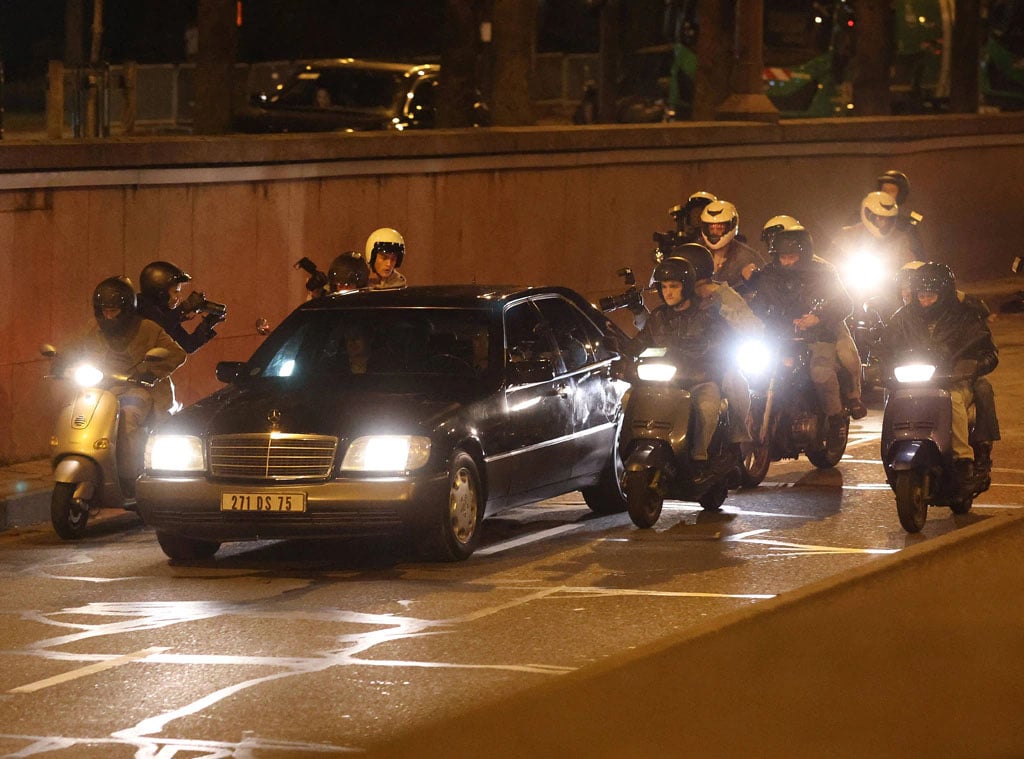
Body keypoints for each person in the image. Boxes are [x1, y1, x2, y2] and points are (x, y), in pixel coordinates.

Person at [60, 277, 187, 494]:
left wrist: (149, 372)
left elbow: (177, 353)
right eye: (104, 310)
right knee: (78, 412)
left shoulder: (148, 329)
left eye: (114, 310)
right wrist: (60, 363)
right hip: (104, 388)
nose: (109, 316)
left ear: (127, 309)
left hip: (142, 388)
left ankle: (131, 477)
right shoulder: (94, 331)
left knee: (128, 417)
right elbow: (72, 349)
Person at [878, 262, 999, 490]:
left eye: (930, 296)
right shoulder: (902, 318)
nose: (925, 301)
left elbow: (988, 352)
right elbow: (884, 349)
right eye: (921, 296)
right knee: (892, 400)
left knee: (951, 400)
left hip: (952, 381)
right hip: (912, 382)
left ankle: (963, 460)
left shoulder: (966, 316)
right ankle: (890, 450)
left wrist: (971, 367)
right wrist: (877, 366)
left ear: (944, 294)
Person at [630, 257, 736, 476]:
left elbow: (726, 341)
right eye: (664, 287)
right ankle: (627, 450)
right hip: (663, 384)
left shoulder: (706, 315)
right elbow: (639, 343)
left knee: (707, 407)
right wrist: (619, 350)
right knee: (625, 401)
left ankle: (700, 457)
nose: (668, 292)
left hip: (698, 381)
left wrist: (709, 350)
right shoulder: (657, 317)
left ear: (686, 287)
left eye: (674, 286)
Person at [762, 216, 868, 419]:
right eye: (782, 256)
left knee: (822, 373)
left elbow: (844, 304)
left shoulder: (824, 272)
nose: (786, 262)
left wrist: (817, 318)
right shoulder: (767, 275)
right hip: (778, 338)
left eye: (791, 256)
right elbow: (756, 303)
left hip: (818, 335)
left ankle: (838, 415)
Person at [668, 242, 762, 443]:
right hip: (680, 363)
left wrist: (719, 307)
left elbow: (752, 327)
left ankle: (739, 431)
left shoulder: (723, 294)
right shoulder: (674, 294)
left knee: (733, 382)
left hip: (716, 360)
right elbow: (657, 327)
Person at [137, 261, 223, 354]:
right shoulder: (140, 306)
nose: (179, 297)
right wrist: (184, 308)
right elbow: (158, 327)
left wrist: (206, 325)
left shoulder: (165, 314)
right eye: (175, 292)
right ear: (161, 292)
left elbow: (188, 345)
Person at [829, 191, 918, 273]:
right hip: (849, 286)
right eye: (880, 218)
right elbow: (830, 264)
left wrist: (906, 284)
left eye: (889, 219)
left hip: (888, 287)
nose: (884, 223)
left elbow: (909, 267)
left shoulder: (900, 239)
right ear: (868, 214)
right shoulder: (847, 234)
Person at [700, 199, 766, 296]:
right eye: (711, 228)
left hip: (738, 309)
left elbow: (762, 290)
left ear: (731, 226)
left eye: (720, 228)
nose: (715, 233)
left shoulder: (748, 257)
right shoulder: (698, 254)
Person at [875, 169, 925, 259]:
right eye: (884, 190)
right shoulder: (866, 217)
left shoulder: (907, 226)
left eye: (891, 191)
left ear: (900, 195)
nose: (886, 194)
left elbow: (917, 257)